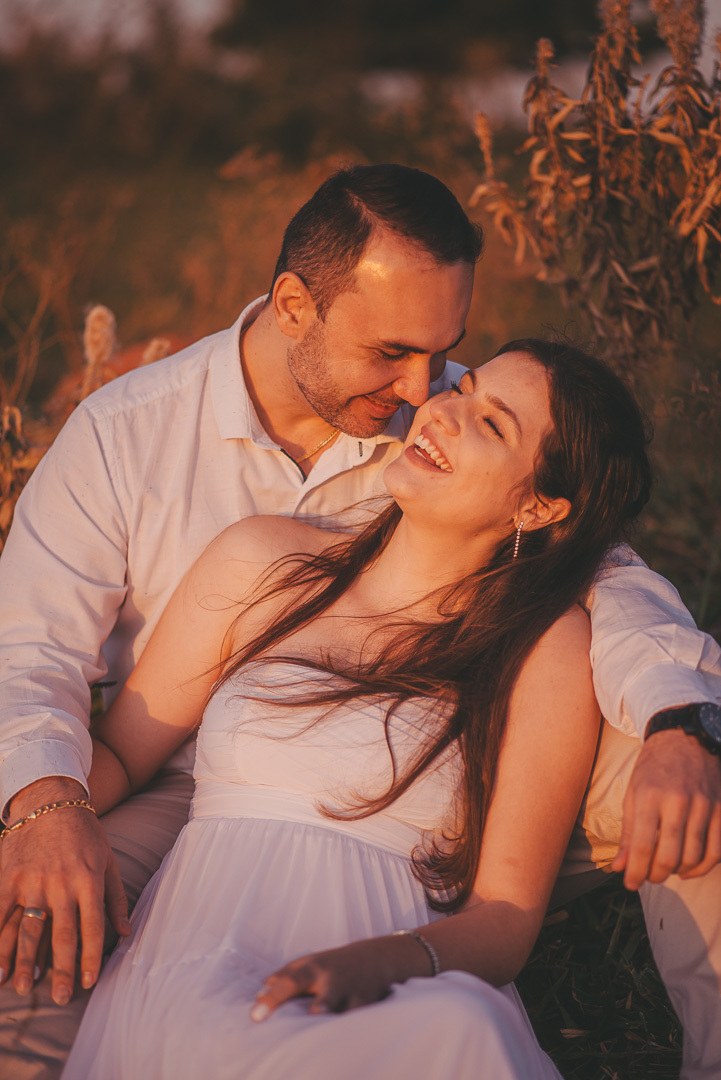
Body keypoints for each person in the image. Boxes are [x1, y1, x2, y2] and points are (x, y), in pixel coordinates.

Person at [0, 165, 719, 1079]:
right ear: (294, 306)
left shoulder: (457, 432)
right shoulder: (130, 438)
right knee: (24, 984)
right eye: (392, 355)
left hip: (436, 791)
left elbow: (609, 575)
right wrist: (41, 805)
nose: (426, 388)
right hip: (182, 787)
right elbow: (29, 654)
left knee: (699, 783)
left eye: (446, 355)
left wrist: (680, 722)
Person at [60, 340, 649, 1079]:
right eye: (462, 392)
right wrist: (43, 819)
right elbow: (117, 755)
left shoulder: (542, 645)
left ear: (538, 503)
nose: (443, 413)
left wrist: (387, 961)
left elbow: (505, 918)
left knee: (461, 1029)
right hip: (191, 967)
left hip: (389, 988)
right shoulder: (265, 562)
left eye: (493, 426)